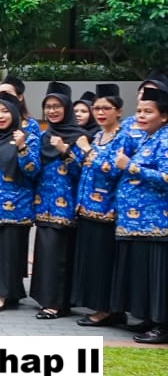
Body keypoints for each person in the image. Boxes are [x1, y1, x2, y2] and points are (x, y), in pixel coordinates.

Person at [109, 85, 168, 344]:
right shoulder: (147, 138)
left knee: (157, 276)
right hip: (137, 224)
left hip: (156, 223)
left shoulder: (165, 139)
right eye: (139, 111)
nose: (141, 116)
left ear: (164, 116)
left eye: (148, 112)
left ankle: (162, 324)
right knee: (144, 276)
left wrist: (131, 166)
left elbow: (165, 177)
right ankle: (150, 319)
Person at [0, 93, 39, 312]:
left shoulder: (27, 137)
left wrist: (21, 148)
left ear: (14, 114)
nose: (0, 116)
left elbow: (32, 170)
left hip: (16, 206)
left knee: (10, 251)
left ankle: (1, 294)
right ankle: (8, 292)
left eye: (5, 112)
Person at [30, 82, 84, 320]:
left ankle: (57, 303)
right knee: (45, 253)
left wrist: (65, 151)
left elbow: (83, 172)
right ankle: (45, 298)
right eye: (48, 107)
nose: (52, 111)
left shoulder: (79, 137)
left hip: (66, 207)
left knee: (59, 254)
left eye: (57, 106)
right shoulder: (45, 136)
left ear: (67, 108)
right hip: (43, 204)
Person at [74, 85, 125, 327]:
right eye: (96, 108)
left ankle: (108, 310)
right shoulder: (97, 136)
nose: (100, 113)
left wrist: (87, 150)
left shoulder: (123, 137)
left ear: (118, 111)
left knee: (105, 262)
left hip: (107, 210)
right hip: (87, 209)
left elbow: (112, 169)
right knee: (92, 261)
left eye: (106, 108)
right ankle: (100, 307)